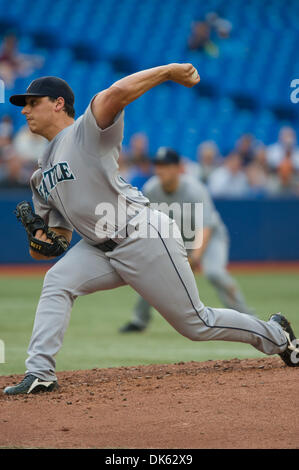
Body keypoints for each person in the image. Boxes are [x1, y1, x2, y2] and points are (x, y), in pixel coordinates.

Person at [4, 65, 298, 395]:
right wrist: (42, 242)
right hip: (97, 248)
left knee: (196, 324)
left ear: (58, 103)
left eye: (31, 102)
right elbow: (57, 242)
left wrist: (170, 71)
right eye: (22, 105)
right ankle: (40, 372)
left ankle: (276, 335)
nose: (24, 110)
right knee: (57, 281)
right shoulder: (39, 177)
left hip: (140, 234)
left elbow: (115, 94)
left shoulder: (85, 131)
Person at [120, 147, 254, 333]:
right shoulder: (152, 188)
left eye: (165, 166)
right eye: (158, 166)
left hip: (210, 237)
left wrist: (195, 258)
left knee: (215, 273)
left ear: (178, 168)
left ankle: (248, 318)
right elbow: (146, 222)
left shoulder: (194, 189)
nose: (160, 170)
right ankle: (139, 320)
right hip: (178, 238)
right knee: (154, 272)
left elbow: (205, 227)